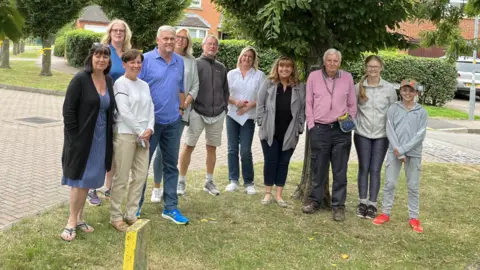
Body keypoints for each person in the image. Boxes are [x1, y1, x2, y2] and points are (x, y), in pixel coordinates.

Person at [60, 43, 116, 241]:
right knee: (80, 181)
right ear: (91, 58)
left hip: (101, 139)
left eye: (105, 57)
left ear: (109, 60)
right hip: (82, 138)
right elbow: (68, 111)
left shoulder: (108, 80)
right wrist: (74, 137)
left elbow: (110, 110)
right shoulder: (80, 79)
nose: (101, 60)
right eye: (98, 56)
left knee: (90, 179)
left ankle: (81, 218)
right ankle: (71, 221)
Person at [136, 25, 188, 224]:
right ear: (157, 40)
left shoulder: (179, 62)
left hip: (172, 123)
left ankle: (171, 208)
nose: (169, 42)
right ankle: (136, 206)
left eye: (172, 39)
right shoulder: (146, 60)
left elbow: (180, 88)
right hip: (150, 124)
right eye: (165, 38)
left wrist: (181, 108)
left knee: (171, 166)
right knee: (143, 166)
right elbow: (137, 89)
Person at [302, 48, 357, 222]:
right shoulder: (314, 77)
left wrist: (349, 122)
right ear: (324, 62)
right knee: (319, 168)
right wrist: (311, 125)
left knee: (340, 170)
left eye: (335, 61)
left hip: (341, 131)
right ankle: (315, 201)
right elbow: (308, 102)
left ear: (339, 63)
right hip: (319, 129)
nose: (332, 63)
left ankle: (338, 206)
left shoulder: (347, 77)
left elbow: (352, 104)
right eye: (329, 60)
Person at [87, 19, 133, 205]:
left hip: (123, 109)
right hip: (105, 105)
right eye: (115, 30)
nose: (119, 33)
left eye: (122, 30)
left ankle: (109, 187)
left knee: (114, 149)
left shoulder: (128, 53)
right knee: (99, 146)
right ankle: (92, 188)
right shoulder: (104, 51)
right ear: (110, 31)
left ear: (126, 33)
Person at [372, 80, 427, 233]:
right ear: (400, 91)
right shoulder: (393, 108)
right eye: (404, 90)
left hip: (413, 153)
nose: (407, 93)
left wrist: (403, 149)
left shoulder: (421, 111)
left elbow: (420, 135)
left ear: (416, 93)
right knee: (390, 183)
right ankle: (385, 212)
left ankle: (414, 217)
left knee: (413, 185)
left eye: (411, 90)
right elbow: (389, 129)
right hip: (394, 152)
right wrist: (398, 150)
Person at [151, 28, 199, 201]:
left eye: (182, 38)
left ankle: (169, 195)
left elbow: (193, 86)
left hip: (179, 114)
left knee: (170, 154)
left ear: (187, 42)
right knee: (158, 153)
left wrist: (183, 105)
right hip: (157, 116)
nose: (177, 40)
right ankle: (156, 187)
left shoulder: (189, 61)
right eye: (174, 37)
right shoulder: (151, 59)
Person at [178, 35, 229, 196]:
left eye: (215, 44)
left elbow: (225, 90)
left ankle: (209, 181)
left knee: (211, 148)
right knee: (188, 146)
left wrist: (224, 108)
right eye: (209, 44)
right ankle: (181, 181)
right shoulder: (195, 64)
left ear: (217, 47)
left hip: (217, 114)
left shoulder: (221, 67)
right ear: (203, 45)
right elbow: (191, 86)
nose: (212, 46)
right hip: (197, 112)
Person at [109, 49, 154, 231]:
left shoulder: (144, 85)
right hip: (126, 134)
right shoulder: (120, 84)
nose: (136, 65)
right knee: (121, 176)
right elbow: (124, 111)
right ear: (124, 64)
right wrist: (141, 130)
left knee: (141, 175)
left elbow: (151, 107)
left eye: (139, 62)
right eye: (132, 62)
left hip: (143, 135)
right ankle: (115, 216)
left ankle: (131, 213)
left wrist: (150, 128)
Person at [256, 56, 305, 207]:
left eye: (288, 66)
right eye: (281, 66)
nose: (284, 69)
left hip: (289, 132)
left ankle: (279, 195)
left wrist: (299, 127)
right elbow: (260, 103)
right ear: (277, 68)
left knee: (284, 163)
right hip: (270, 130)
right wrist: (261, 122)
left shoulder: (299, 86)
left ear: (292, 69)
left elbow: (303, 108)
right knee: (270, 162)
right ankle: (267, 194)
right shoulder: (268, 83)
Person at [354, 55, 397, 219]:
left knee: (375, 169)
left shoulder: (388, 89)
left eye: (376, 66)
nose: (372, 69)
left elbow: (393, 113)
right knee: (364, 167)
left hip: (381, 135)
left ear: (381, 68)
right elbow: (352, 108)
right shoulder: (358, 87)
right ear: (366, 68)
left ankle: (372, 204)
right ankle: (362, 201)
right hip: (362, 134)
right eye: (370, 66)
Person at [225, 46, 265, 195]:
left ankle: (249, 182)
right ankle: (233, 180)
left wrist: (248, 107)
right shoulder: (231, 74)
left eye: (250, 56)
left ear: (253, 59)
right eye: (244, 55)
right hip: (232, 115)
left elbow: (262, 96)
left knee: (246, 150)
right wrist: (235, 102)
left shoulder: (259, 75)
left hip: (249, 117)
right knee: (232, 149)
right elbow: (224, 94)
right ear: (240, 57)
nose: (247, 58)